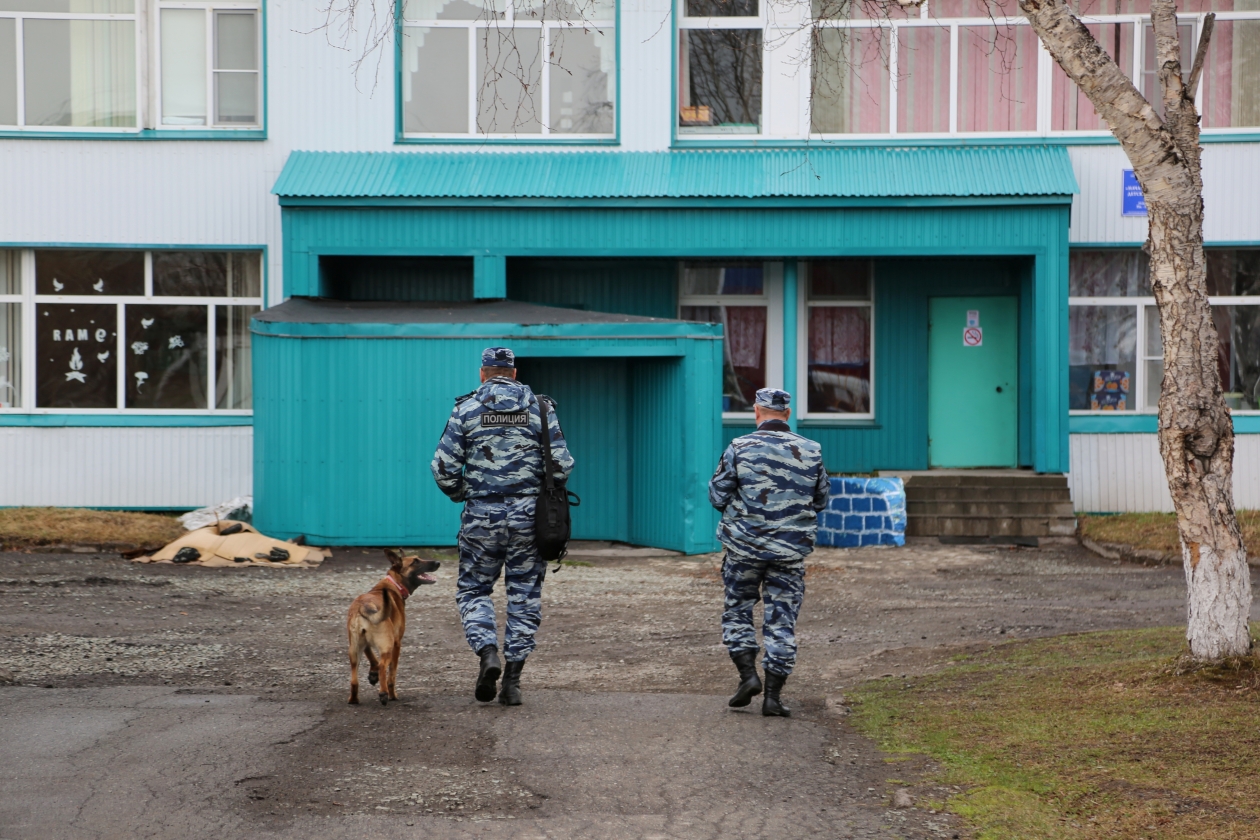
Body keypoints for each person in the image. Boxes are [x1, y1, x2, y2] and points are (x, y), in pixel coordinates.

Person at [430, 347, 574, 706]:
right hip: (531, 518)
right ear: (514, 372)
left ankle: (487, 653)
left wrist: (466, 494)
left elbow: (443, 468)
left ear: (483, 373)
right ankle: (512, 680)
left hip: (481, 515)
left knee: (474, 591)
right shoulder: (541, 409)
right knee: (524, 595)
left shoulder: (466, 409)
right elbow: (562, 466)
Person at [708, 388, 829, 717]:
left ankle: (748, 677)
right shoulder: (811, 450)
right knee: (782, 621)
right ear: (787, 414)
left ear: (756, 411)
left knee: (737, 611)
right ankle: (773, 697)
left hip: (743, 549)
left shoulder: (739, 447)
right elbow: (821, 500)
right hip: (789, 552)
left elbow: (717, 495)